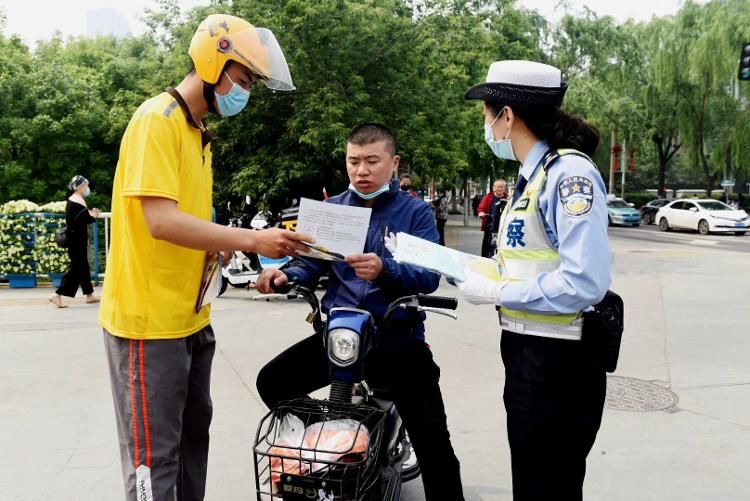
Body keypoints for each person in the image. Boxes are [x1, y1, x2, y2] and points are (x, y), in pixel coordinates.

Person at [98, 14, 312, 501]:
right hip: (149, 324)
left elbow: (192, 226)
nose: (245, 94)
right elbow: (161, 221)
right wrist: (252, 241)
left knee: (194, 443)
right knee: (155, 458)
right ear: (214, 63)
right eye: (242, 80)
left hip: (190, 317)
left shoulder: (198, 135)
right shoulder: (158, 121)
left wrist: (223, 245)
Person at [255, 123, 465, 501]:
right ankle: (343, 435)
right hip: (340, 337)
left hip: (398, 340)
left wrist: (387, 269)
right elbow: (311, 265)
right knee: (273, 382)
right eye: (354, 161)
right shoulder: (332, 210)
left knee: (432, 437)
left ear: (393, 162)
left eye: (372, 160)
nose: (362, 170)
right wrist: (284, 274)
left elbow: (431, 277)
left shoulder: (416, 213)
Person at [458, 60, 611, 500]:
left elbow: (585, 282)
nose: (486, 128)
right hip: (529, 348)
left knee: (549, 485)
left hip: (560, 361)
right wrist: (484, 272)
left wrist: (496, 291)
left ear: (507, 116)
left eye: (487, 116)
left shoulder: (569, 176)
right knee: (532, 479)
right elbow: (531, 259)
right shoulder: (533, 176)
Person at [49, 175, 102, 308]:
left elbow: (79, 217)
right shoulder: (77, 201)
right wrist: (93, 215)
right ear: (79, 187)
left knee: (83, 267)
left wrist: (90, 214)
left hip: (76, 239)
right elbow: (83, 220)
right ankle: (57, 295)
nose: (87, 188)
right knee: (77, 268)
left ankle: (89, 295)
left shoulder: (74, 200)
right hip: (76, 240)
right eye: (85, 186)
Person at [478, 179, 508, 257]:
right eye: (498, 187)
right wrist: (481, 213)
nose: (500, 189)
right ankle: (485, 260)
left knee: (502, 247)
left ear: (504, 188)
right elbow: (481, 208)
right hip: (490, 225)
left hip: (503, 227)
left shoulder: (508, 198)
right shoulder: (488, 197)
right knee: (487, 246)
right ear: (494, 188)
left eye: (502, 187)